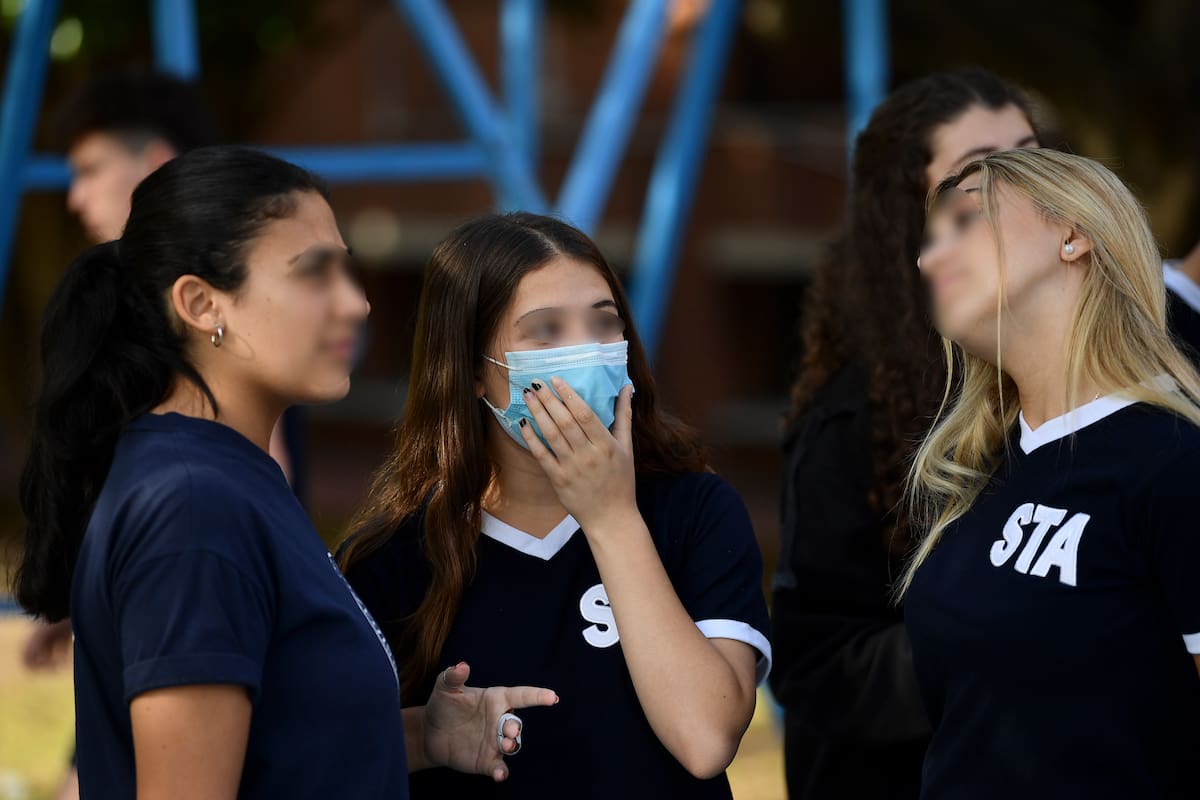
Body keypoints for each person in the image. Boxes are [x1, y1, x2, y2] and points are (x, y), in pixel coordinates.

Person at [15, 146, 555, 798]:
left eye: (348, 272)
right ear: (202, 303)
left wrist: (420, 735)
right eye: (314, 273)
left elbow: (278, 745)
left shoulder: (226, 478)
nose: (357, 305)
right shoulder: (194, 508)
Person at [338, 212, 771, 798]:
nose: (586, 351)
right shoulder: (390, 557)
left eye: (603, 323)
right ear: (471, 370)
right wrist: (422, 738)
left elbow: (706, 740)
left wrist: (611, 518)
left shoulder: (694, 509)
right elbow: (321, 756)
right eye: (546, 331)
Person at [770, 68, 1038, 799]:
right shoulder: (854, 418)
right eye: (978, 172)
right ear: (911, 216)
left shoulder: (1099, 383)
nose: (1021, 185)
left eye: (1032, 155)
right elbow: (816, 662)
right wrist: (1005, 637)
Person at [902, 147, 1200, 798]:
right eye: (929, 239)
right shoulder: (975, 472)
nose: (929, 258)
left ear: (1072, 235)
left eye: (966, 219)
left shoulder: (1175, 462)